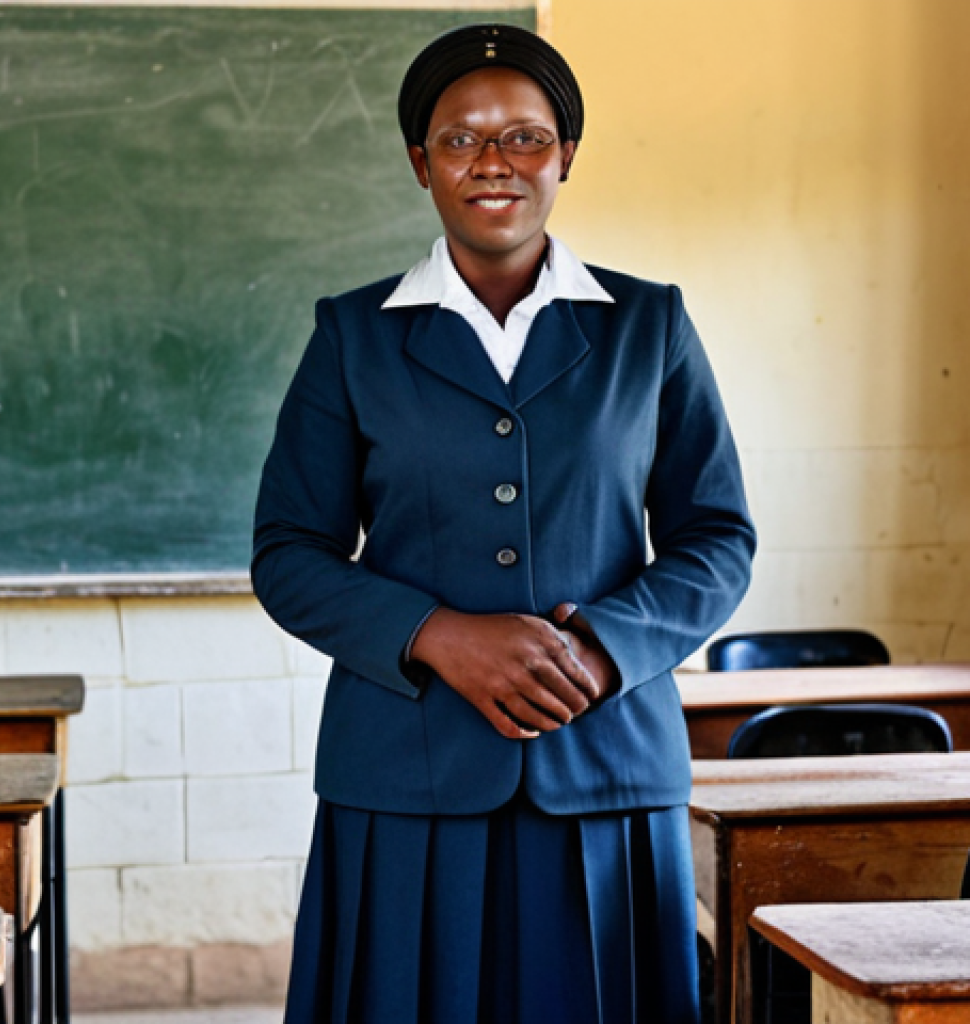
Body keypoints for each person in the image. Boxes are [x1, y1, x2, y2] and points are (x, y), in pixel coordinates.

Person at [252, 22, 756, 1024]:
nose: (494, 162)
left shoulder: (645, 324)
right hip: (406, 772)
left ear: (565, 154)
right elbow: (289, 555)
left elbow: (716, 538)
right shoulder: (352, 335)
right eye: (460, 139)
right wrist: (438, 636)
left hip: (604, 758)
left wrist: (604, 648)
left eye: (524, 137)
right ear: (419, 163)